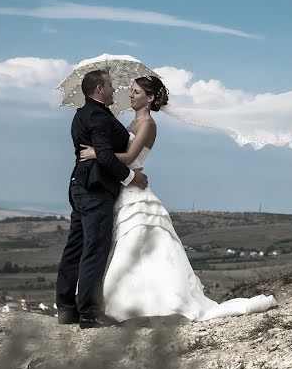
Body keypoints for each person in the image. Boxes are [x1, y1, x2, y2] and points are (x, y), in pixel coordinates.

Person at [78, 75, 277, 322]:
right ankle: (131, 302)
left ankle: (134, 305)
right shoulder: (131, 122)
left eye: (136, 92)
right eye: (131, 91)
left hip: (134, 191)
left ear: (150, 99)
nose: (130, 95)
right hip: (124, 188)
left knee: (135, 246)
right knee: (133, 249)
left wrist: (98, 153)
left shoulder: (148, 124)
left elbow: (129, 157)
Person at [55, 69, 148, 329]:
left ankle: (66, 307)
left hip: (79, 185)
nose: (113, 90)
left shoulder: (84, 113)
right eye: (109, 85)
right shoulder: (98, 116)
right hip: (95, 189)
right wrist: (132, 177)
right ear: (98, 89)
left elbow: (100, 152)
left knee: (75, 247)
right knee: (94, 249)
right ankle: (89, 313)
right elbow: (105, 157)